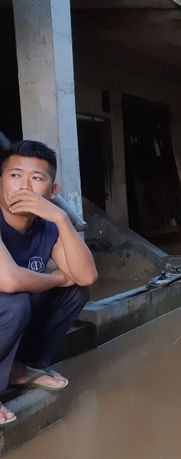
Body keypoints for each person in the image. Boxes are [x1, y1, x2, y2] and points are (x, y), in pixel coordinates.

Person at [0, 140, 98, 425]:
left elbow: (86, 276)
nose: (24, 187)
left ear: (52, 191)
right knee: (14, 304)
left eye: (37, 178)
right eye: (15, 175)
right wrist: (56, 276)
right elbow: (8, 280)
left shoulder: (47, 224)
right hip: (7, 303)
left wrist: (60, 217)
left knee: (75, 291)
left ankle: (19, 368)